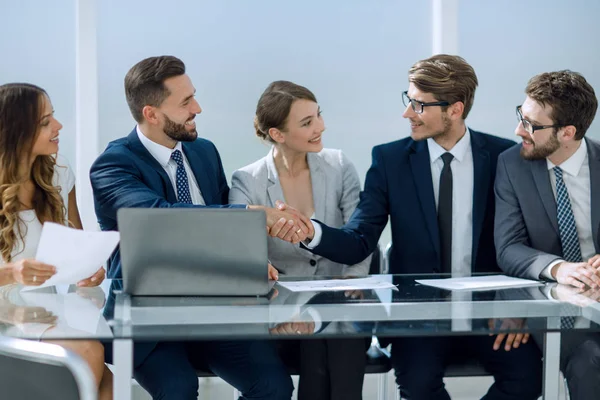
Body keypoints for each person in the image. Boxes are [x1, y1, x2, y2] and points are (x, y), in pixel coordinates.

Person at [284, 54, 543, 399]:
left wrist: (517, 308)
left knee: (527, 379)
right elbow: (359, 239)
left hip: (491, 316)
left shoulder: (503, 158)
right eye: (409, 101)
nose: (407, 113)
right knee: (419, 387)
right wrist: (311, 232)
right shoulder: (389, 160)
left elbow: (521, 243)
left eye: (419, 105)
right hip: (418, 321)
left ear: (454, 109)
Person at [90, 56, 300, 400]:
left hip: (217, 310)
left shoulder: (204, 152)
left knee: (274, 386)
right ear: (151, 114)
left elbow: (219, 231)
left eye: (194, 96)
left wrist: (245, 261)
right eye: (185, 102)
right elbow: (159, 218)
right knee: (178, 388)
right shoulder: (113, 165)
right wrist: (251, 214)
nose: (197, 108)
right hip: (148, 322)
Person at [229, 80, 370, 400]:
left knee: (338, 334)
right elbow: (243, 252)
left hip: (339, 303)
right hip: (280, 311)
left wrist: (354, 280)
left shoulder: (339, 165)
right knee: (321, 342)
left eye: (318, 115)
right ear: (277, 134)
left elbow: (360, 233)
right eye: (307, 123)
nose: (320, 127)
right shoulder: (247, 180)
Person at [0, 83, 111, 399]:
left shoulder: (59, 174)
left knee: (108, 382)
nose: (59, 127)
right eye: (45, 122)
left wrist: (90, 270)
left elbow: (75, 245)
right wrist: (12, 273)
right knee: (89, 354)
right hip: (6, 320)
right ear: (16, 133)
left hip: (44, 315)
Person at [494, 69, 600, 400]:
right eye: (521, 117)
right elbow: (508, 248)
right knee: (590, 361)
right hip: (558, 306)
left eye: (531, 125)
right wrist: (560, 268)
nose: (518, 130)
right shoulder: (512, 165)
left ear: (568, 132)